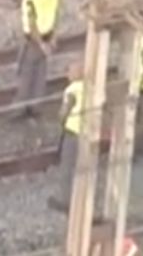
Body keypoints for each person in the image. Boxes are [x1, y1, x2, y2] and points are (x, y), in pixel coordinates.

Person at [14, 0, 61, 119]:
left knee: (26, 75)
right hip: (48, 37)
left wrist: (40, 44)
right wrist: (52, 40)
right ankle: (36, 108)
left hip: (34, 42)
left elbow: (32, 23)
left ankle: (20, 110)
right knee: (41, 75)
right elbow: (56, 16)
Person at [50, 61, 85, 212]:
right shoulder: (88, 87)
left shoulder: (72, 90)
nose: (67, 75)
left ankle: (65, 201)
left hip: (72, 132)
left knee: (67, 167)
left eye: (70, 71)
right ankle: (81, 197)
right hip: (86, 132)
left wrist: (60, 119)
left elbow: (64, 113)